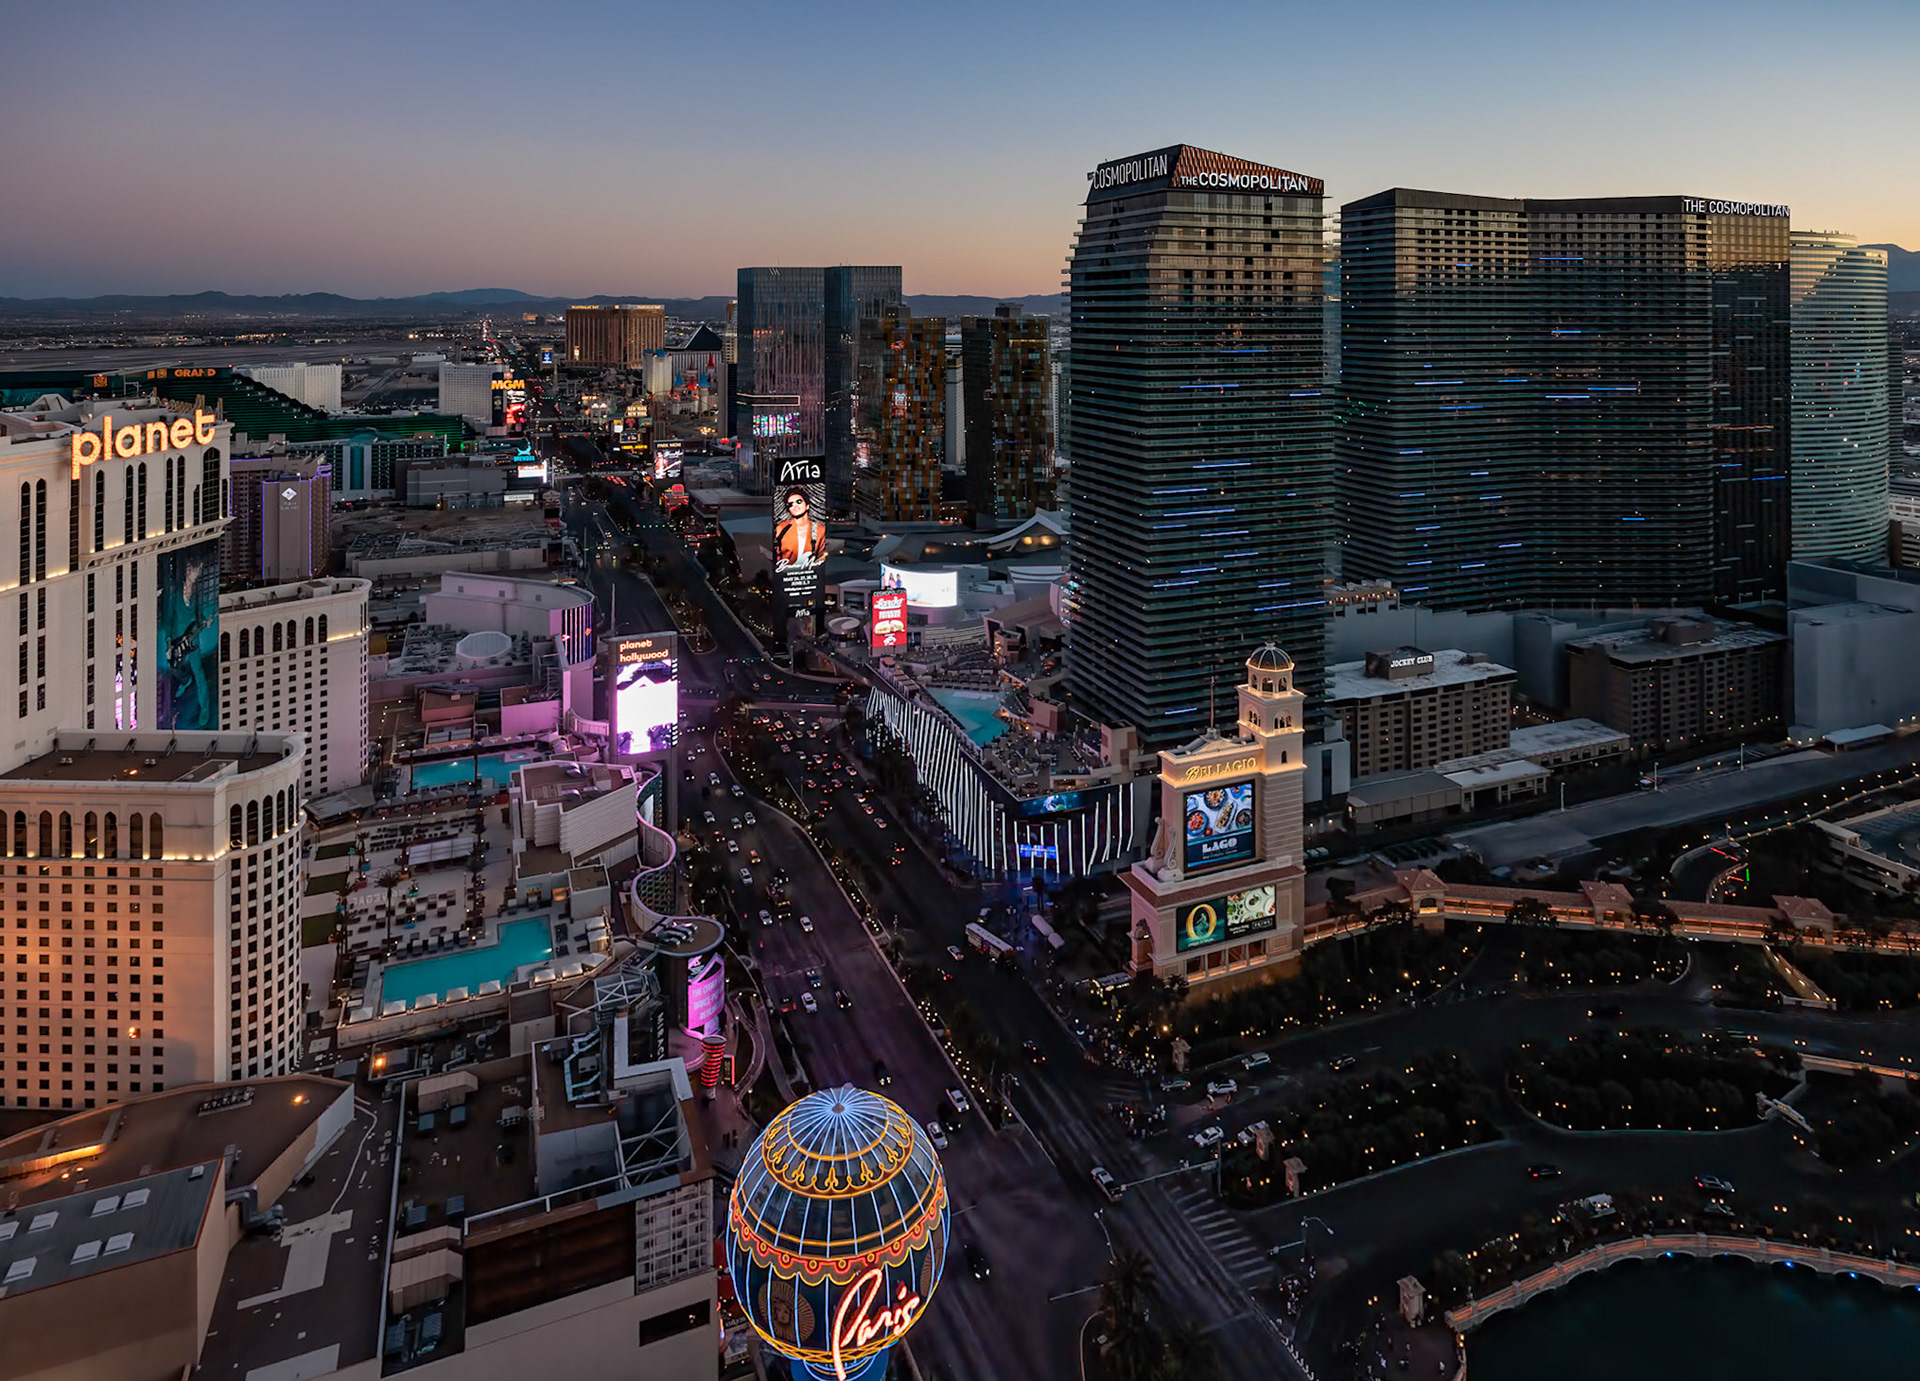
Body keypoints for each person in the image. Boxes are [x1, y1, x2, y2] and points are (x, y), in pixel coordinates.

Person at [774, 488, 827, 569]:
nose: (795, 506)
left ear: (807, 506)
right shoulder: (781, 528)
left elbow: (821, 557)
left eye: (799, 502)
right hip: (785, 574)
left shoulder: (820, 529)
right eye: (790, 504)